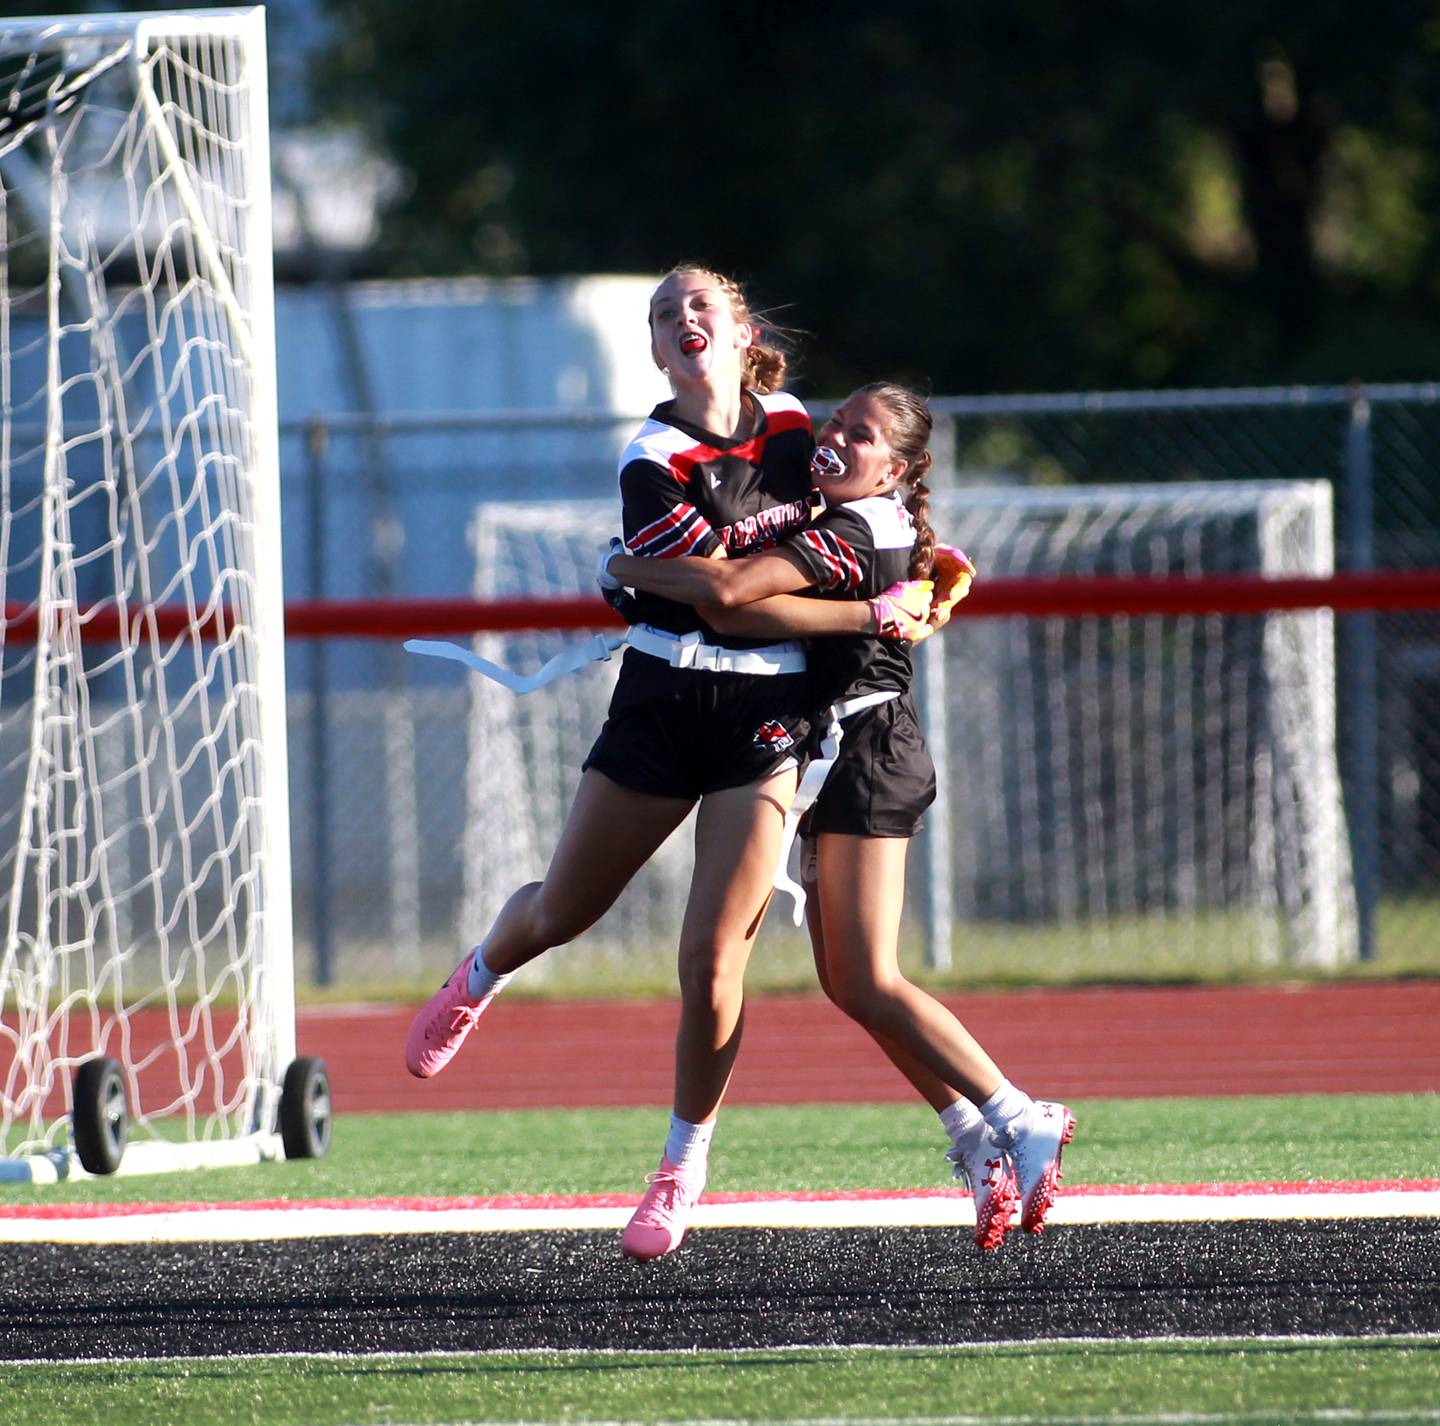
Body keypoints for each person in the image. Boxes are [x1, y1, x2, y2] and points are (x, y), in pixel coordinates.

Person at [404, 265, 916, 1262]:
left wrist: (914, 571)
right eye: (662, 313)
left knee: (712, 955)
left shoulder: (800, 432)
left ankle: (681, 1166)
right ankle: (480, 971)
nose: (682, 320)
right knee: (562, 909)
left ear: (739, 330)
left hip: (768, 712)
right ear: (654, 350)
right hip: (664, 697)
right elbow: (726, 594)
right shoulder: (655, 454)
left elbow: (861, 525)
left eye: (700, 306)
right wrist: (855, 609)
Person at [603, 382, 1075, 1250]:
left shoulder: (860, 525)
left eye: (859, 436)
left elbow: (735, 592)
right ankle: (975, 1142)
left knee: (867, 978)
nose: (834, 440)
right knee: (849, 982)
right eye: (834, 423)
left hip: (867, 753)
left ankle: (1017, 1114)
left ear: (896, 467)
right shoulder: (853, 514)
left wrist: (628, 565)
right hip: (837, 754)